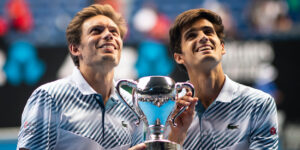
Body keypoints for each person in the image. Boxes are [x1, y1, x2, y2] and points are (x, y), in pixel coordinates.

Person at [17, 4, 146, 150]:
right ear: (75, 48)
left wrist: (175, 134)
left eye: (114, 32)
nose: (109, 35)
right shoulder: (49, 97)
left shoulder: (132, 105)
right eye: (96, 31)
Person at [165, 8, 279, 149]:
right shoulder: (167, 112)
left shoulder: (259, 104)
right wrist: (176, 137)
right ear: (179, 57)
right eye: (191, 35)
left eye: (208, 32)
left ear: (222, 47)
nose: (203, 37)